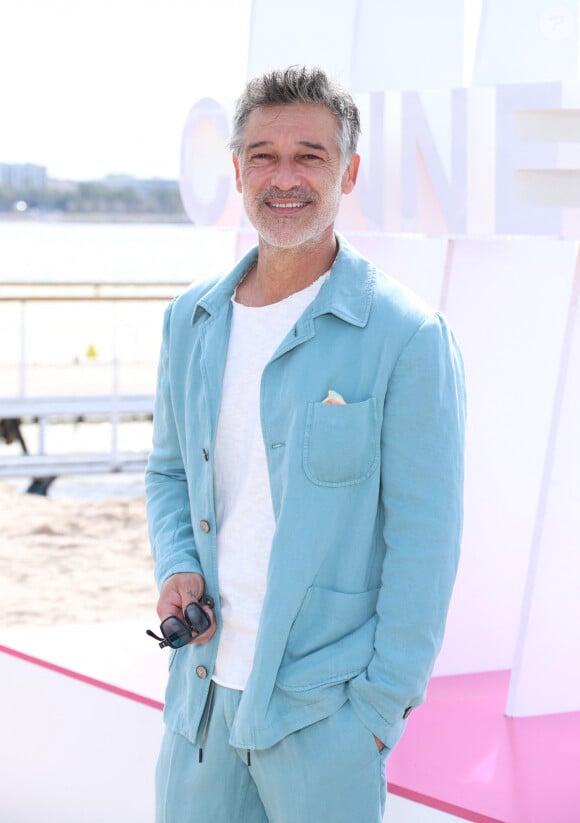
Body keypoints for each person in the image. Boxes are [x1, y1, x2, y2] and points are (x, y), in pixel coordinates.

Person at [146, 65, 466, 823]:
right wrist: (178, 565)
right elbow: (167, 472)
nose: (283, 178)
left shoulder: (408, 337)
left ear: (348, 171)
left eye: (309, 156)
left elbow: (427, 540)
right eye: (262, 155)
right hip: (198, 700)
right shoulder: (189, 320)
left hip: (325, 719)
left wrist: (378, 713)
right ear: (235, 169)